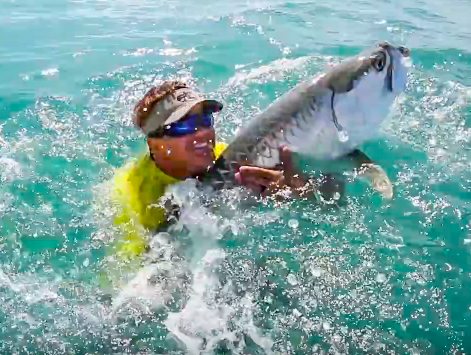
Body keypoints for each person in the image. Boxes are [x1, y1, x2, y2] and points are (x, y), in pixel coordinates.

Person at [98, 81, 315, 291]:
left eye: (205, 120)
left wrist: (294, 191)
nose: (202, 133)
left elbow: (327, 199)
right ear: (154, 142)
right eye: (184, 125)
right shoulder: (130, 193)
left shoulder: (234, 160)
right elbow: (124, 276)